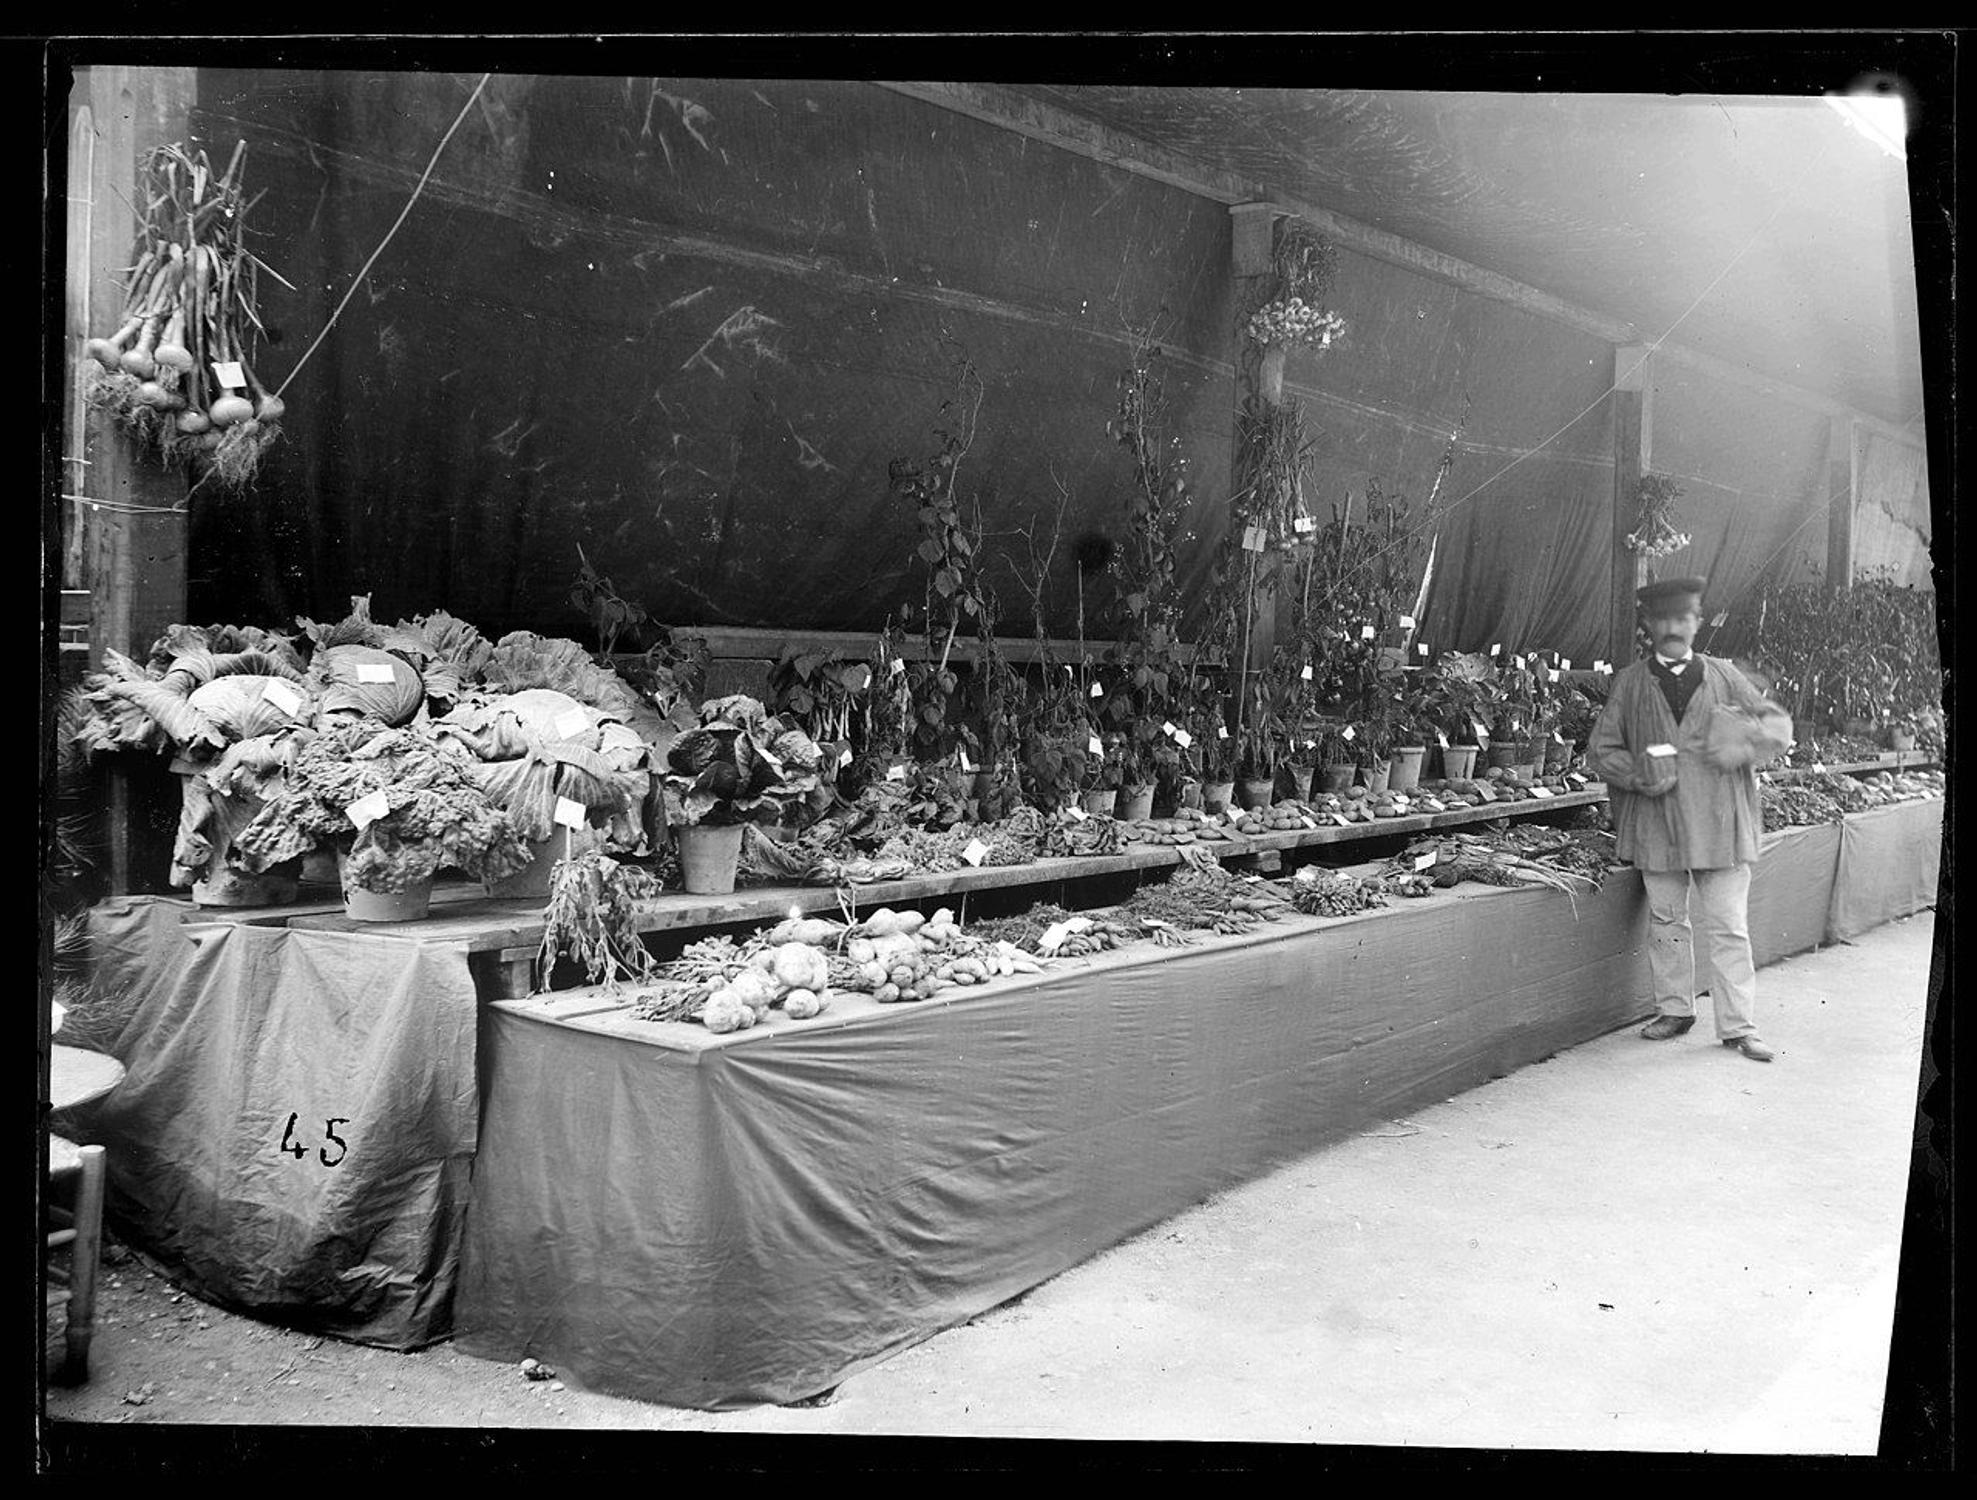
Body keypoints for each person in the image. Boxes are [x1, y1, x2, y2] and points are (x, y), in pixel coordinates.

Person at [1587, 576, 1794, 1062]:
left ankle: (1739, 1026)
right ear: (1649, 626)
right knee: (1666, 920)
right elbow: (1601, 749)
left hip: (1721, 826)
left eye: (1683, 618)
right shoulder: (1631, 683)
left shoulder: (1724, 676)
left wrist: (1740, 742)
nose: (1673, 627)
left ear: (1697, 623)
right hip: (1658, 824)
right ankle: (1675, 1009)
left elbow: (1778, 727)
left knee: (1729, 926)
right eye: (1663, 619)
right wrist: (1638, 771)